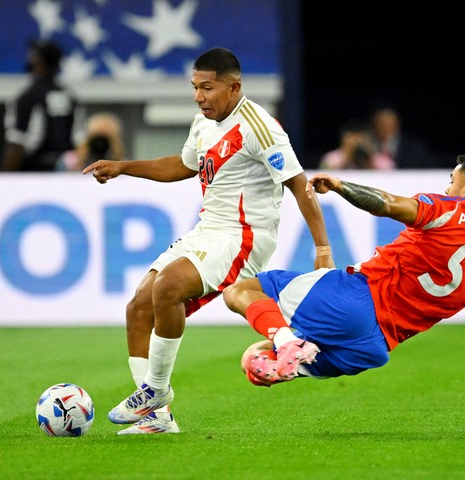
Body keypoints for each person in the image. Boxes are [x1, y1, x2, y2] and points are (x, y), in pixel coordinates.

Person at [82, 47, 334, 434]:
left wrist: (322, 250)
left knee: (166, 288)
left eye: (208, 88)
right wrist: (124, 167)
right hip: (207, 231)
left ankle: (155, 392)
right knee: (138, 308)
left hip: (244, 235)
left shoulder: (260, 126)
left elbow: (300, 186)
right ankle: (158, 419)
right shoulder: (202, 123)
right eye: (195, 87)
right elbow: (183, 166)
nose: (199, 97)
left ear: (234, 87)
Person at [223, 152, 465, 390]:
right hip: (371, 348)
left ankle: (288, 342)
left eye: (452, 181)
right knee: (256, 357)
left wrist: (340, 186)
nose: (447, 189)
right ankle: (282, 350)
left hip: (354, 298)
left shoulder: (451, 209)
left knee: (239, 291)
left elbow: (386, 204)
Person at [2, 39, 83, 171]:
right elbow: (80, 142)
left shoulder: (27, 98)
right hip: (65, 173)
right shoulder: (70, 97)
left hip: (34, 172)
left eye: (32, 55)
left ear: (38, 61)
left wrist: (6, 180)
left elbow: (16, 144)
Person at [368, 101, 442, 169]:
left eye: (387, 123)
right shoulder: (366, 145)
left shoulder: (415, 148)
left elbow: (431, 171)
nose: (384, 128)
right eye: (380, 123)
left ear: (397, 123)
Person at [56, 112, 126, 171]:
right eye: (97, 138)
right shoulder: (69, 160)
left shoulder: (123, 164)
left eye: (105, 139)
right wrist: (80, 160)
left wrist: (116, 157)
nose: (100, 145)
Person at [318, 118, 395, 170]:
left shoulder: (381, 158)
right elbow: (324, 174)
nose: (356, 144)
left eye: (360, 140)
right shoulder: (330, 158)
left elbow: (392, 175)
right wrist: (347, 157)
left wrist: (369, 160)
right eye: (352, 140)